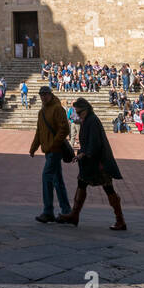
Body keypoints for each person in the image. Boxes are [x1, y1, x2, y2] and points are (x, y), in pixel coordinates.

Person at [57, 98, 125, 230]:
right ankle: (74, 215)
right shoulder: (87, 120)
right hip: (89, 162)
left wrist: (83, 154)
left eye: (79, 112)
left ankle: (120, 219)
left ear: (86, 110)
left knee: (108, 188)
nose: (78, 115)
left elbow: (95, 143)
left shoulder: (92, 120)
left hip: (99, 162)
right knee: (81, 183)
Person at [30, 86, 72, 223]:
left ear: (50, 95)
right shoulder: (41, 112)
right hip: (48, 150)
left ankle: (48, 211)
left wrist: (55, 143)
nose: (43, 97)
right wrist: (33, 147)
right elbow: (39, 131)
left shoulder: (57, 108)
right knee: (57, 181)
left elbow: (65, 128)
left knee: (46, 177)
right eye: (41, 95)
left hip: (55, 150)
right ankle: (67, 212)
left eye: (45, 95)